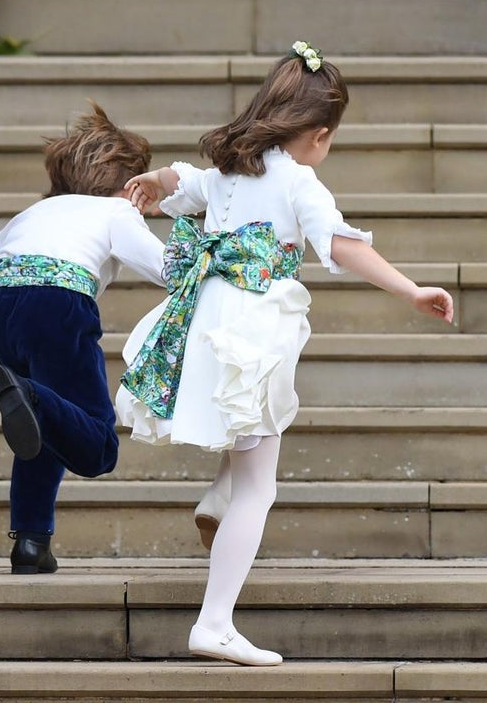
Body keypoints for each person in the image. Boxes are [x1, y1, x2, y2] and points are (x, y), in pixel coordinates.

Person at [115, 42, 455, 666]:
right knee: (260, 487)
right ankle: (214, 622)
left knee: (243, 440)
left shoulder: (227, 172)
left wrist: (149, 182)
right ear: (320, 135)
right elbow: (343, 245)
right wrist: (411, 290)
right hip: (250, 334)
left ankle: (217, 498)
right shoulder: (299, 182)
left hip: (205, 323)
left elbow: (178, 182)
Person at [0, 104, 167, 574]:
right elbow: (165, 267)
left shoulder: (31, 214)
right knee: (97, 447)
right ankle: (28, 394)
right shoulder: (117, 211)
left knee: (43, 425)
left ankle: (31, 540)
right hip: (58, 305)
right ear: (131, 187)